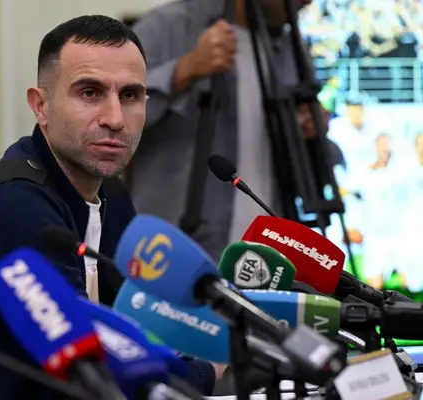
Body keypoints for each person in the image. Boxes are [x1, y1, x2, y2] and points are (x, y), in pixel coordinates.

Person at [0, 15, 218, 399]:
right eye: (90, 93)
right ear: (40, 106)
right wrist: (209, 369)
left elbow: (135, 336)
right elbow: (99, 374)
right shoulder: (13, 204)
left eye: (129, 96)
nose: (115, 119)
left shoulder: (112, 198)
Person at [128, 0, 333, 261]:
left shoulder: (291, 50)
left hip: (264, 260)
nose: (307, 1)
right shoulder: (168, 26)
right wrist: (185, 69)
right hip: (169, 256)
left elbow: (305, 173)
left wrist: (309, 132)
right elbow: (117, 115)